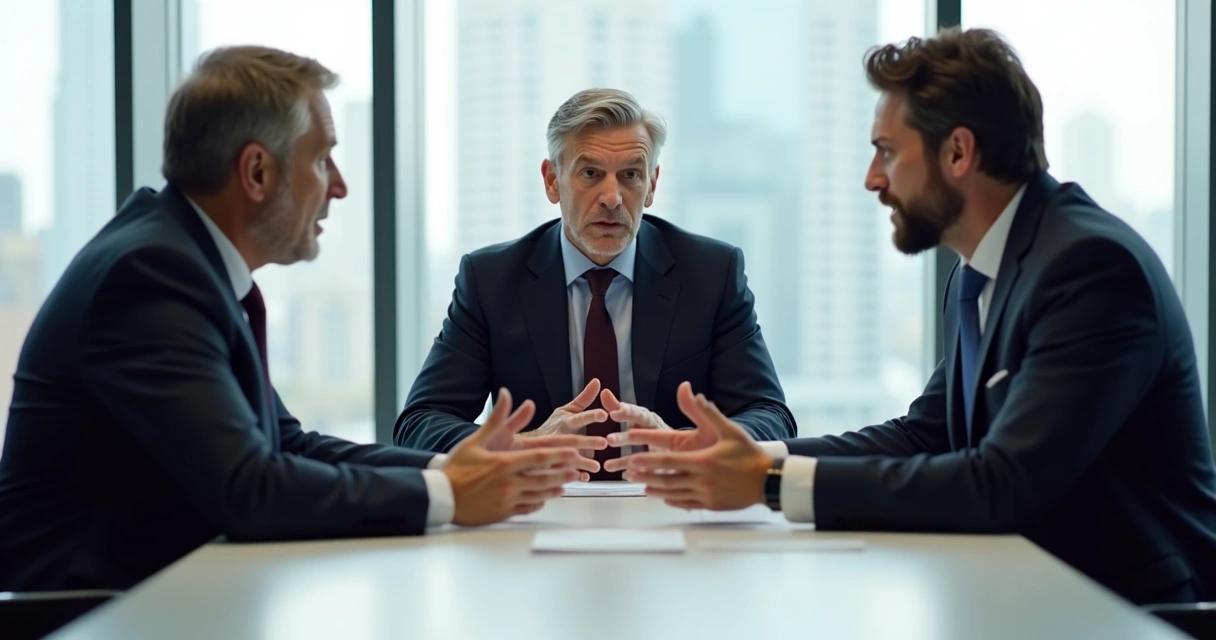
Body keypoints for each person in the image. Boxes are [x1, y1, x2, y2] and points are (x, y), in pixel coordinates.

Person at [609, 28, 1216, 605]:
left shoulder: (1089, 267)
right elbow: (925, 434)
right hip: (1022, 590)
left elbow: (1003, 484)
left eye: (887, 152)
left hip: (1128, 610)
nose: (873, 179)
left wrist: (769, 484)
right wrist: (757, 454)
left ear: (958, 151)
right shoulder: (978, 272)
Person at [0, 46, 598, 592]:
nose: (338, 187)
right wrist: (448, 494)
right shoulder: (150, 275)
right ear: (257, 173)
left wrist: (458, 467)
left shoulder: (185, 261)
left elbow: (288, 443)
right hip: (89, 612)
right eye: (323, 159)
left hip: (167, 590)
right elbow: (251, 489)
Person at [395, 88, 796, 479]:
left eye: (631, 176)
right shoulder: (492, 280)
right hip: (536, 507)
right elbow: (419, 425)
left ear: (652, 184)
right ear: (552, 180)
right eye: (590, 173)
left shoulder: (711, 273)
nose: (612, 197)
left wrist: (689, 444)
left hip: (674, 502)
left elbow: (771, 417)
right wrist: (519, 444)